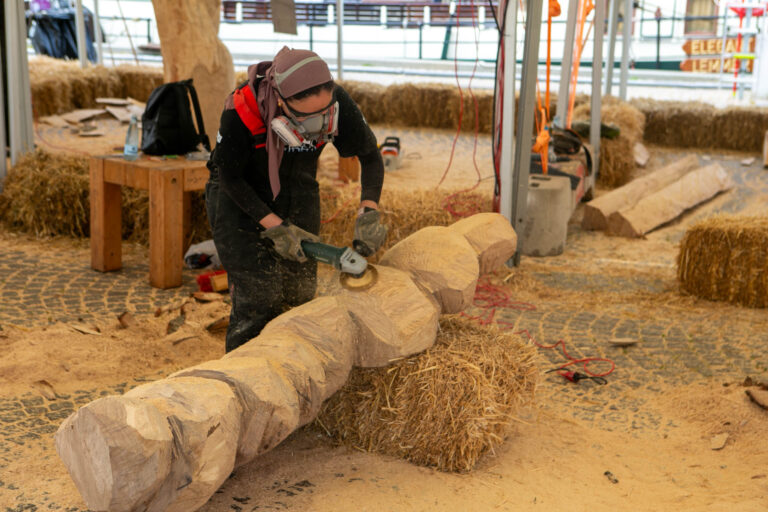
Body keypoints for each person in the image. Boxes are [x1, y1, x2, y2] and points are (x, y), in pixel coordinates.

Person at [205, 47, 387, 353]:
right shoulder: (242, 109)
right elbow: (230, 178)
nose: (318, 122)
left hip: (299, 188)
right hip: (239, 197)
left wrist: (369, 210)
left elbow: (370, 157)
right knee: (259, 298)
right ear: (280, 99)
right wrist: (275, 226)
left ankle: (292, 372)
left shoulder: (336, 100)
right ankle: (245, 378)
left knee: (299, 292)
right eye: (307, 116)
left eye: (324, 111)